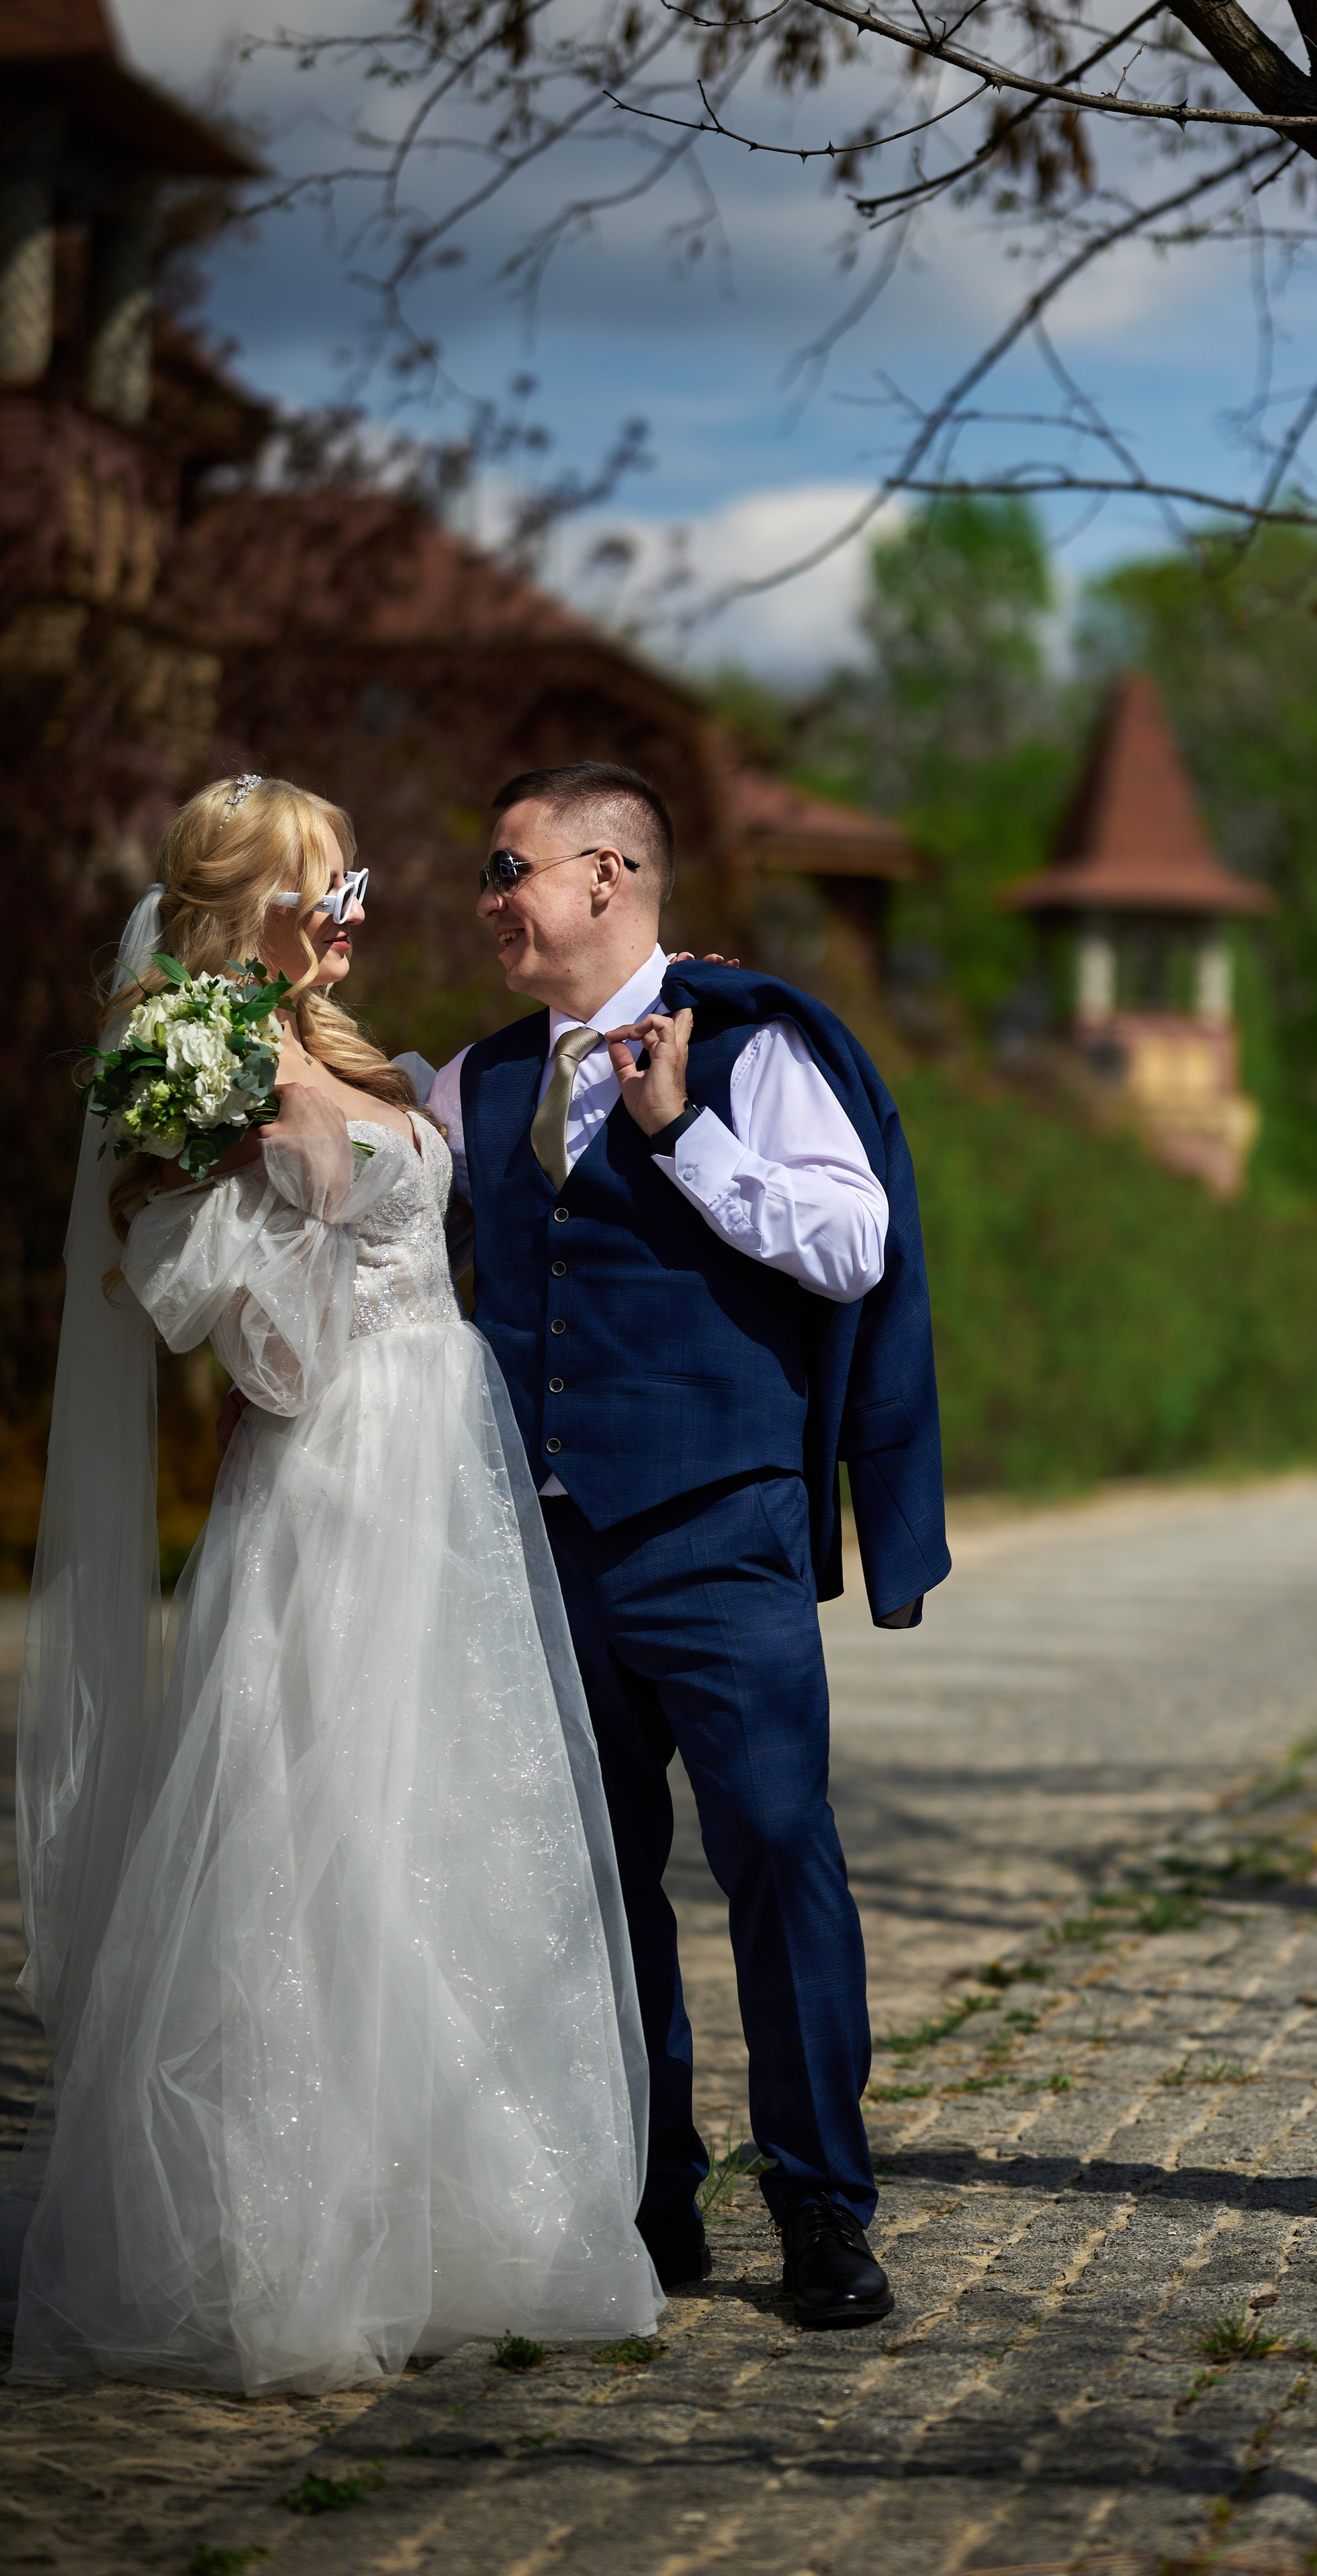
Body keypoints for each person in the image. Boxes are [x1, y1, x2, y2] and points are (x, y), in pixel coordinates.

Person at [5, 776, 660, 2393]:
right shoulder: (202, 1082)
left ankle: (455, 2211)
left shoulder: (347, 1053)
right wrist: (289, 1190)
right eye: (329, 890)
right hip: (340, 1476)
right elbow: (275, 1361)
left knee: (449, 1815)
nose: (359, 912)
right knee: (325, 1829)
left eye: (357, 880)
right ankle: (301, 2235)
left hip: (446, 1462)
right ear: (250, 913)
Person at [428, 762, 950, 2329]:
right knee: (594, 1881)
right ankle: (651, 2196)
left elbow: (853, 1244)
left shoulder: (752, 1045)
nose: (485, 898)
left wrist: (681, 1133)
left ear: (605, 875)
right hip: (544, 1542)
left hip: (718, 1532)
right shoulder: (475, 1078)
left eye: (507, 867)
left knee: (778, 1851)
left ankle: (820, 2204)